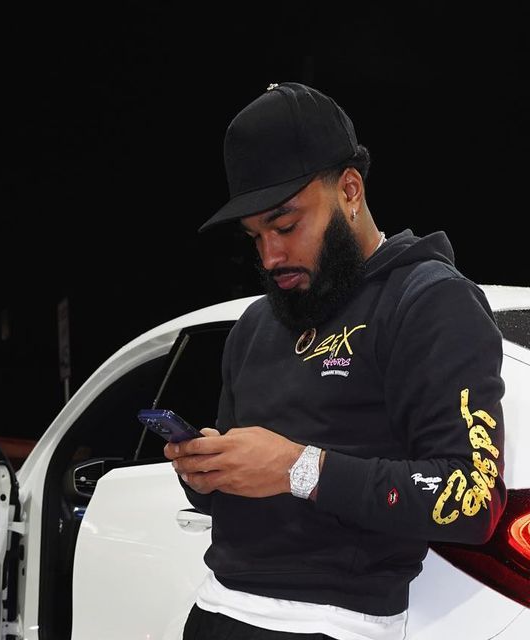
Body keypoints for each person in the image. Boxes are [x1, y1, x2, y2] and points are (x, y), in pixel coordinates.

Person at [165, 82, 506, 640]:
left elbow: (470, 498)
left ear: (349, 190)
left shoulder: (429, 300)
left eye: (286, 225)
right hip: (215, 610)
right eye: (255, 237)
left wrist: (299, 469)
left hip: (335, 623)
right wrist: (206, 470)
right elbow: (236, 495)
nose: (271, 256)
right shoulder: (255, 325)